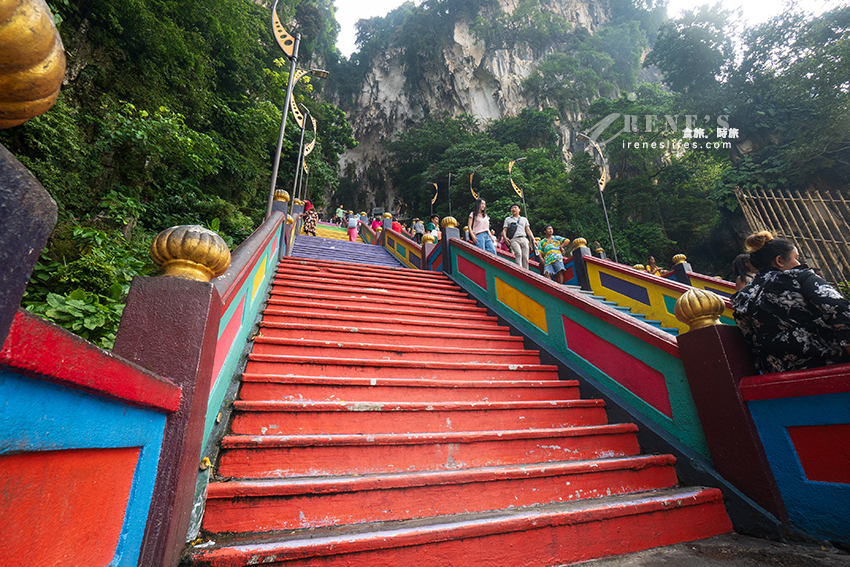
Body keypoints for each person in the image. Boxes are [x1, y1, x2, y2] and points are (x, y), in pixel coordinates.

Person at [731, 231, 850, 374]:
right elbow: (839, 309)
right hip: (826, 364)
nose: (799, 263)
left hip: (778, 375)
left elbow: (748, 338)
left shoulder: (743, 296)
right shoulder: (799, 277)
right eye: (796, 258)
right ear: (779, 261)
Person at [501, 203, 535, 269]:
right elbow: (504, 230)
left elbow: (528, 230)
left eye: (515, 207)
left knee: (525, 257)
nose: (513, 209)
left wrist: (533, 239)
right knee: (518, 253)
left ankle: (526, 271)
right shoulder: (508, 219)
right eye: (512, 208)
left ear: (519, 209)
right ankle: (519, 270)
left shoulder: (524, 219)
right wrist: (505, 238)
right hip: (514, 239)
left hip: (523, 238)